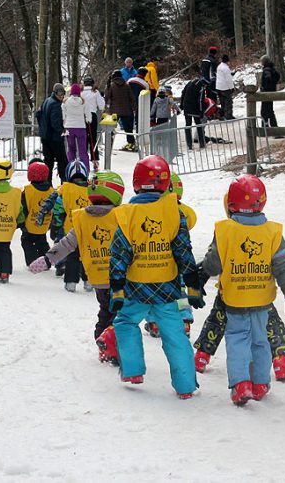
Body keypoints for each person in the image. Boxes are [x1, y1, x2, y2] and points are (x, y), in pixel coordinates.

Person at [201, 175, 285, 405]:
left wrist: (201, 274)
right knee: (260, 342)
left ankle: (241, 385)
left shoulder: (225, 229)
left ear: (231, 203)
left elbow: (213, 264)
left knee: (237, 339)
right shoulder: (272, 232)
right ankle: (260, 384)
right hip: (262, 300)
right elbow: (283, 265)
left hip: (235, 300)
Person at [109, 155, 204, 399]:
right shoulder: (174, 212)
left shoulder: (127, 215)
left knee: (125, 322)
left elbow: (119, 254)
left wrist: (117, 288)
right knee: (174, 334)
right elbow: (183, 250)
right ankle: (185, 386)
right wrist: (192, 284)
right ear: (165, 184)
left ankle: (133, 371)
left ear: (136, 183)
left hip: (137, 287)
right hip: (167, 288)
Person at [28, 171, 125, 364]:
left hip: (98, 278)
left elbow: (66, 244)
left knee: (105, 310)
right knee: (122, 315)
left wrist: (48, 260)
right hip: (120, 277)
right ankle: (112, 345)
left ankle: (104, 342)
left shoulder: (82, 219)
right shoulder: (121, 216)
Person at [144, 173, 196, 339]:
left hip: (160, 259)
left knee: (153, 291)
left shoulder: (157, 211)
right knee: (180, 291)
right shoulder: (184, 211)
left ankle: (154, 322)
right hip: (180, 260)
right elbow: (192, 220)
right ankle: (185, 320)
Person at [37, 159, 91, 292]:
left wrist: (46, 213)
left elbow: (54, 203)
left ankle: (66, 273)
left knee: (67, 250)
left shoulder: (64, 189)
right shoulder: (92, 189)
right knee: (87, 255)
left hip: (69, 227)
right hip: (89, 230)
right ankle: (89, 281)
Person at [19, 160, 54, 266]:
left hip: (29, 226)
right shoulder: (52, 191)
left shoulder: (28, 191)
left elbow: (23, 208)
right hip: (44, 225)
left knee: (27, 242)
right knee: (42, 241)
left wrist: (21, 223)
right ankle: (47, 259)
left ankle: (32, 261)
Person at [37, 83, 68, 184]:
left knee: (48, 161)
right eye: (59, 93)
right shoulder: (55, 104)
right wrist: (61, 130)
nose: (61, 96)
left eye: (63, 93)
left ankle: (47, 182)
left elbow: (38, 114)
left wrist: (42, 127)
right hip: (55, 138)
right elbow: (55, 122)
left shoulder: (46, 101)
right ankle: (63, 181)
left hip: (45, 137)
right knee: (61, 160)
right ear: (55, 93)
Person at [105, 70, 136, 152]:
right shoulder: (126, 85)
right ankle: (131, 143)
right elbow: (132, 98)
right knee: (128, 129)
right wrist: (134, 108)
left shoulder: (111, 85)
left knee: (111, 129)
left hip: (114, 112)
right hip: (126, 110)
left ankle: (109, 145)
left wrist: (104, 107)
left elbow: (106, 97)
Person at [63, 83, 90, 169]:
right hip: (81, 127)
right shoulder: (83, 101)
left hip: (69, 127)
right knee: (83, 150)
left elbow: (63, 115)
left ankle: (70, 167)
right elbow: (88, 115)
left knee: (71, 150)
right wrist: (88, 120)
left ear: (71, 92)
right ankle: (85, 168)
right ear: (79, 92)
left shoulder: (65, 102)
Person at [81, 76, 106, 170]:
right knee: (92, 138)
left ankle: (83, 158)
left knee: (83, 138)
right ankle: (95, 159)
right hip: (92, 115)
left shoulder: (80, 92)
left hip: (82, 116)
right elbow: (101, 106)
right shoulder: (95, 93)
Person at [180, 75, 207, 150]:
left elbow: (183, 93)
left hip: (186, 108)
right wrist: (201, 111)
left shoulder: (189, 83)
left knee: (188, 125)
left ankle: (189, 145)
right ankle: (202, 143)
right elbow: (200, 100)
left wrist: (182, 105)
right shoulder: (201, 87)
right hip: (195, 109)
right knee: (199, 125)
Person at [260, 55, 280, 129]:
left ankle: (265, 127)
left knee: (264, 111)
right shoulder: (272, 68)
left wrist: (265, 87)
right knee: (270, 110)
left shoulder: (266, 70)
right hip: (271, 92)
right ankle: (274, 127)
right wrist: (273, 84)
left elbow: (268, 78)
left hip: (266, 93)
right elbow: (278, 76)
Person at [215, 54, 235, 120]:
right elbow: (228, 80)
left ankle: (223, 114)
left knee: (222, 102)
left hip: (218, 86)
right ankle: (228, 115)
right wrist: (231, 87)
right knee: (228, 102)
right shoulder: (226, 68)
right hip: (225, 87)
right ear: (227, 61)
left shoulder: (219, 67)